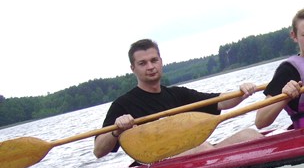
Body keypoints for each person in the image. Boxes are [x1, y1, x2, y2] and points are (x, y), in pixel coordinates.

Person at [94, 38, 262, 160]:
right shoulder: (123, 104)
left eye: (154, 60)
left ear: (161, 62)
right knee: (202, 148)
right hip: (155, 166)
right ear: (133, 68)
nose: (150, 67)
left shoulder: (178, 94)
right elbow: (98, 151)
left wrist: (241, 92)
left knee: (249, 135)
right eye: (143, 63)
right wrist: (116, 131)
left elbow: (220, 101)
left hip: (197, 154)